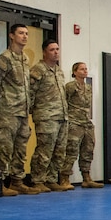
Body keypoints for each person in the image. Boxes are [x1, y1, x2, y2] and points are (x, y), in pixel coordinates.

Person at [0, 22, 32, 194]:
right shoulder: (5, 58)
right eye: (21, 33)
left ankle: (16, 181)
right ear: (12, 36)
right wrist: (0, 103)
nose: (25, 36)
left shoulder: (25, 58)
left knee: (20, 148)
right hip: (8, 111)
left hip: (22, 111)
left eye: (26, 33)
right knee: (4, 147)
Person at [27, 39, 70, 193]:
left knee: (59, 150)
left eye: (57, 49)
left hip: (61, 116)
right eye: (52, 49)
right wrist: (32, 112)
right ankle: (38, 179)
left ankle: (51, 179)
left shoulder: (59, 71)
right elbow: (30, 94)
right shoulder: (37, 70)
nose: (56, 52)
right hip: (46, 116)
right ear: (44, 52)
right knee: (44, 150)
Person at [62, 61, 103, 188]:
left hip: (86, 122)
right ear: (75, 72)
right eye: (81, 69)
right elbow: (64, 102)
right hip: (74, 122)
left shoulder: (88, 87)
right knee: (71, 150)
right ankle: (64, 178)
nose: (85, 71)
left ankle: (86, 177)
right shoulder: (70, 86)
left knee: (88, 149)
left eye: (86, 69)